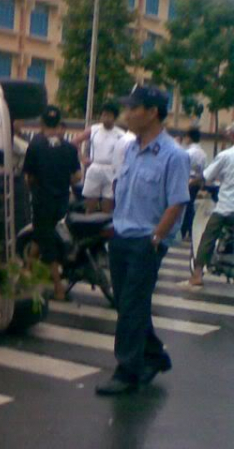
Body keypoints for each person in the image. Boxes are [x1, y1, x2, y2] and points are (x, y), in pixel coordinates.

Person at [95, 85, 189, 396]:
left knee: (133, 305)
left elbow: (177, 202)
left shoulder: (173, 155)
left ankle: (127, 372)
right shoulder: (130, 148)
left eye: (133, 108)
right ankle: (154, 355)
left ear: (151, 112)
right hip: (121, 235)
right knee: (126, 303)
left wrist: (157, 236)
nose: (127, 114)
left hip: (145, 241)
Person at [23, 105, 82, 301]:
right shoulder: (69, 148)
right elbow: (76, 178)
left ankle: (58, 288)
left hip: (42, 201)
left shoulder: (35, 145)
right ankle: (27, 271)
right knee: (41, 236)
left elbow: (28, 178)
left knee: (47, 244)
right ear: (59, 124)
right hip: (62, 203)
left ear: (41, 124)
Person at [189, 123, 234, 287]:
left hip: (225, 208)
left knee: (208, 237)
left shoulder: (226, 156)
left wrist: (190, 183)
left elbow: (205, 176)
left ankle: (198, 274)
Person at [71, 102, 125, 213]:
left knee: (108, 202)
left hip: (111, 169)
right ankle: (87, 226)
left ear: (114, 117)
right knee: (90, 202)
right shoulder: (94, 129)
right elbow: (75, 142)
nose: (105, 118)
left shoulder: (121, 134)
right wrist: (82, 158)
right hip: (95, 167)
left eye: (109, 115)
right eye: (104, 115)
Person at [180, 128, 207, 241]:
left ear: (189, 137)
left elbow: (182, 168)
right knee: (190, 205)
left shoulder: (188, 153)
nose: (185, 139)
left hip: (187, 181)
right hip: (197, 182)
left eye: (185, 137)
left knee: (185, 207)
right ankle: (189, 230)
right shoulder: (203, 153)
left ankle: (185, 230)